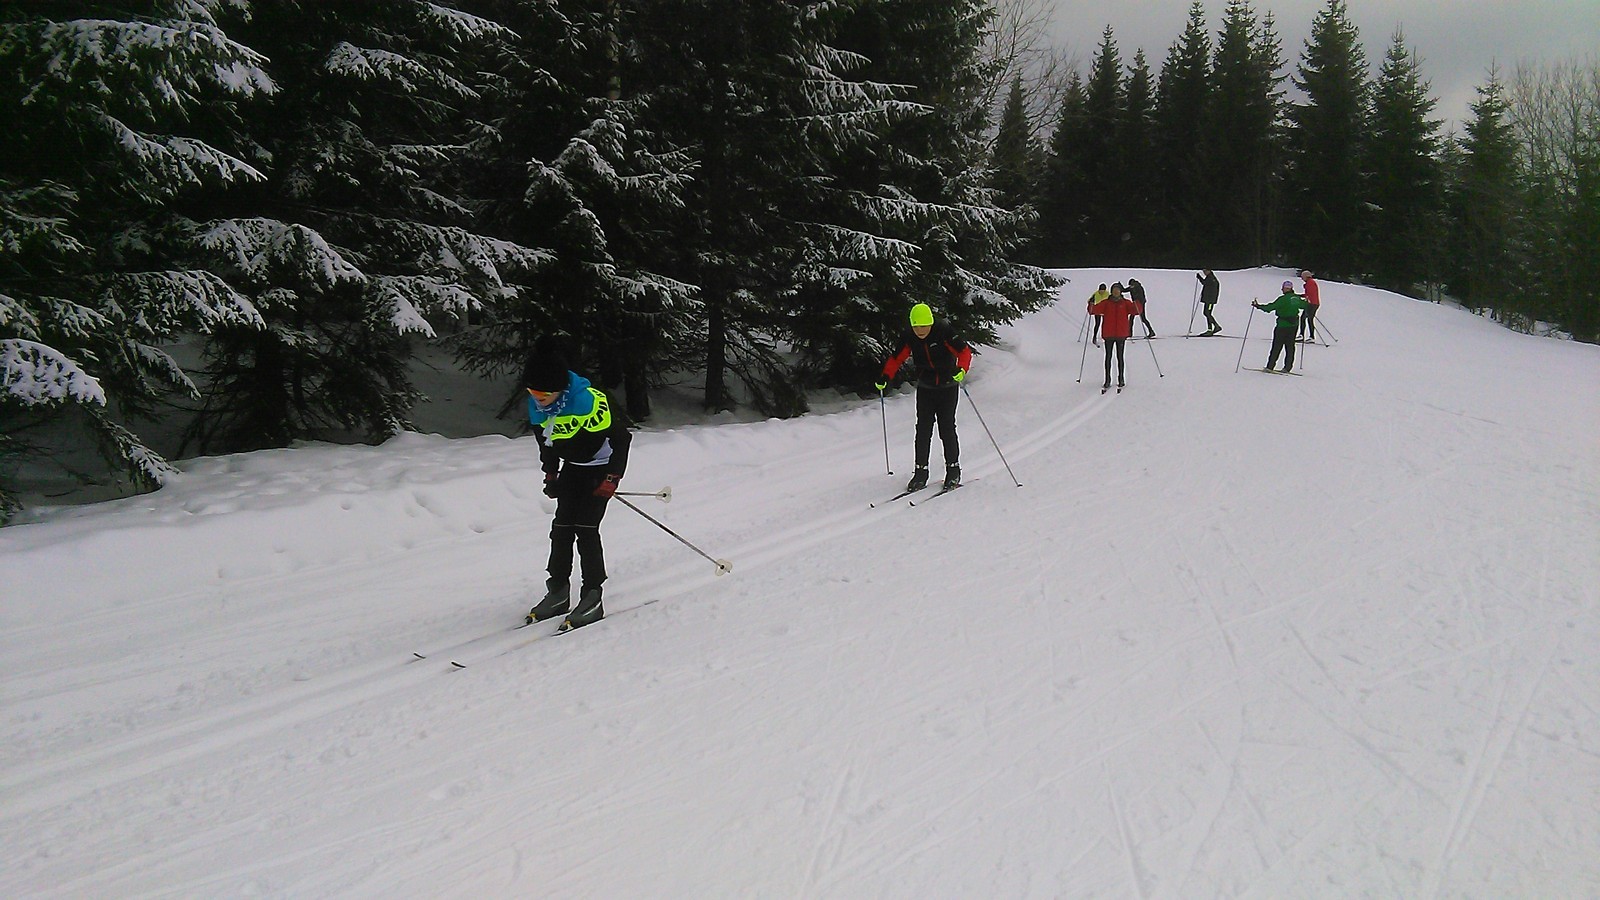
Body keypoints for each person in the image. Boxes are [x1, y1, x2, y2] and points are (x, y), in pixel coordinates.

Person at [523, 345, 632, 631]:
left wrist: (612, 478)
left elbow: (622, 439)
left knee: (585, 527)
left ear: (559, 389)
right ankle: (558, 591)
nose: (537, 399)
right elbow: (546, 442)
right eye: (532, 392)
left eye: (543, 394)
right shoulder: (538, 406)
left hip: (601, 466)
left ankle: (593, 594)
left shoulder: (586, 402)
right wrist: (551, 473)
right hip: (573, 467)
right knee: (561, 528)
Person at [877, 302, 972, 491]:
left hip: (947, 385)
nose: (920, 330)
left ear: (930, 323)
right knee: (923, 429)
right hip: (926, 387)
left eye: (924, 326)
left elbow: (964, 352)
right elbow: (896, 358)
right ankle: (921, 472)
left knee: (946, 428)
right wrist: (886, 376)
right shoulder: (909, 336)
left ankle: (953, 471)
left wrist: (961, 370)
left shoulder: (943, 331)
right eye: (916, 326)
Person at [1252, 281, 1309, 372]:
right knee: (1290, 346)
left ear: (1286, 289)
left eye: (1283, 288)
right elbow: (1304, 305)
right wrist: (1306, 301)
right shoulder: (1296, 298)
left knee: (1277, 346)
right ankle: (1287, 367)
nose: (1282, 289)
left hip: (1282, 325)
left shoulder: (1282, 299)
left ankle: (1270, 366)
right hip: (1294, 325)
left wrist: (1258, 306)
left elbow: (1270, 307)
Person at [1091, 282, 1138, 390]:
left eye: (1118, 290)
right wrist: (1091, 304)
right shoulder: (1106, 303)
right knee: (1108, 357)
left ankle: (1121, 379)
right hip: (1109, 334)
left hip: (1121, 334)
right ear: (1111, 291)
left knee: (1120, 357)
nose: (1116, 292)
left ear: (1120, 291)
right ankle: (1107, 380)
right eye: (1114, 290)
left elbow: (1136, 311)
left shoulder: (1125, 303)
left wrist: (1137, 302)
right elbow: (1094, 311)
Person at [1298, 269, 1321, 342]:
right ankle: (1310, 336)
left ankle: (1305, 336)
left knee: (1305, 319)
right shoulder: (1311, 282)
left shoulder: (1310, 283)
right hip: (1314, 303)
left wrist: (1305, 298)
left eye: (1302, 277)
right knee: (1308, 319)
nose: (1302, 278)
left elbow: (1309, 294)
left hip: (1311, 304)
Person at [1196, 269, 1221, 334]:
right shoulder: (1210, 277)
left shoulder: (1211, 278)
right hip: (1208, 299)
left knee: (1207, 313)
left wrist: (1199, 277)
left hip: (1210, 300)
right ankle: (1210, 328)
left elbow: (1204, 283)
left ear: (1209, 271)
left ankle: (1215, 327)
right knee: (1206, 313)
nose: (1204, 273)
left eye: (1205, 271)